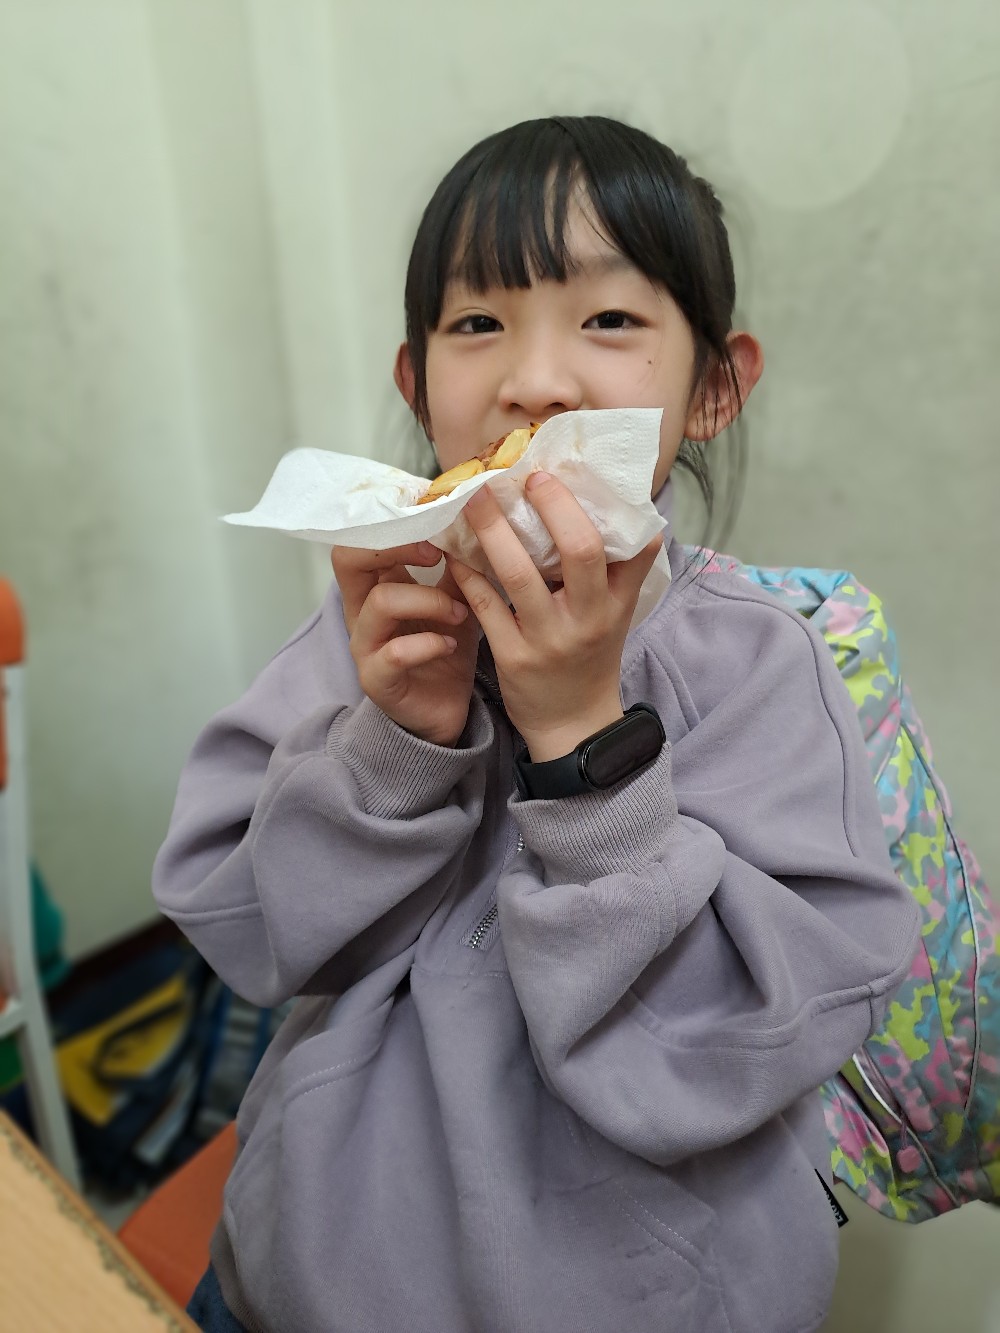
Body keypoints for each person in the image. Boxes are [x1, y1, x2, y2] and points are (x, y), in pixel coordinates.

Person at [156, 116, 921, 1333]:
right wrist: (395, 743)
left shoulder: (760, 664)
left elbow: (749, 1035)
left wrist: (584, 747)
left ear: (712, 388)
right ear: (417, 385)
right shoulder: (375, 623)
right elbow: (246, 928)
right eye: (477, 323)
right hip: (304, 1275)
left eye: (608, 319)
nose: (534, 380)